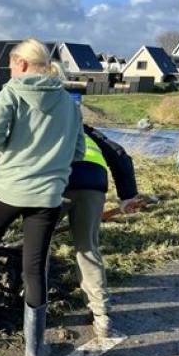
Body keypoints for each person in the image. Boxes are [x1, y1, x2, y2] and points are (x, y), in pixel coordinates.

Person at [0, 38, 85, 356]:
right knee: (35, 266)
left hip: (10, 189)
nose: (9, 70)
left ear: (23, 64)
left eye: (11, 64)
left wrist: (10, 150)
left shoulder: (12, 93)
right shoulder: (70, 104)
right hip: (47, 197)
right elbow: (79, 151)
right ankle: (34, 352)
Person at [63, 124, 139, 338]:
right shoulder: (85, 128)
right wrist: (127, 196)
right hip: (93, 184)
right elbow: (119, 154)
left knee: (38, 246)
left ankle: (31, 302)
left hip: (58, 181)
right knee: (87, 248)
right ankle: (101, 315)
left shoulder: (48, 117)